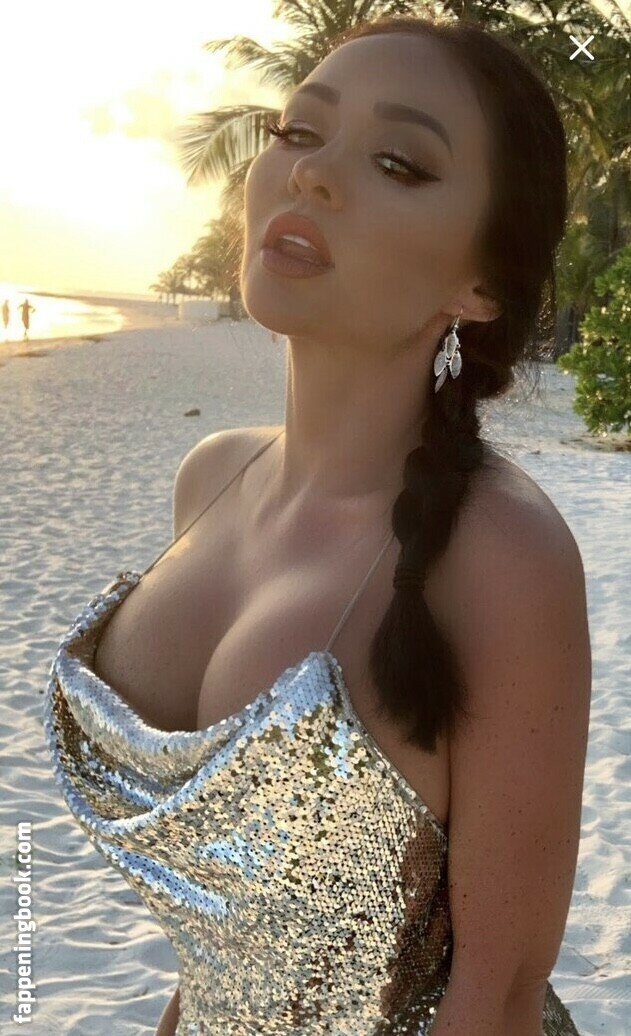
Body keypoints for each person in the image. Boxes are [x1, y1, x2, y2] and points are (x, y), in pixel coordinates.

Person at [44, 14, 591, 1036]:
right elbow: (223, 932)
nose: (312, 175)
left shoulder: (501, 554)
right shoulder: (210, 479)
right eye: (299, 132)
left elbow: (499, 990)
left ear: (477, 284)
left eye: (397, 162)